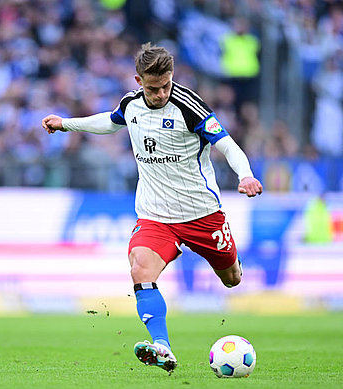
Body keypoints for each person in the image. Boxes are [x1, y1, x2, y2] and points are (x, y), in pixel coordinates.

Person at [42, 42, 263, 373]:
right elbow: (111, 121)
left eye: (165, 86)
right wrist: (66, 123)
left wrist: (245, 175)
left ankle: (230, 259)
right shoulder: (131, 106)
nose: (160, 94)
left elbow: (228, 145)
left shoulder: (191, 107)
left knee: (232, 278)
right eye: (152, 88)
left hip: (202, 215)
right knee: (140, 269)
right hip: (156, 216)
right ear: (138, 80)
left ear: (172, 76)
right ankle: (162, 346)